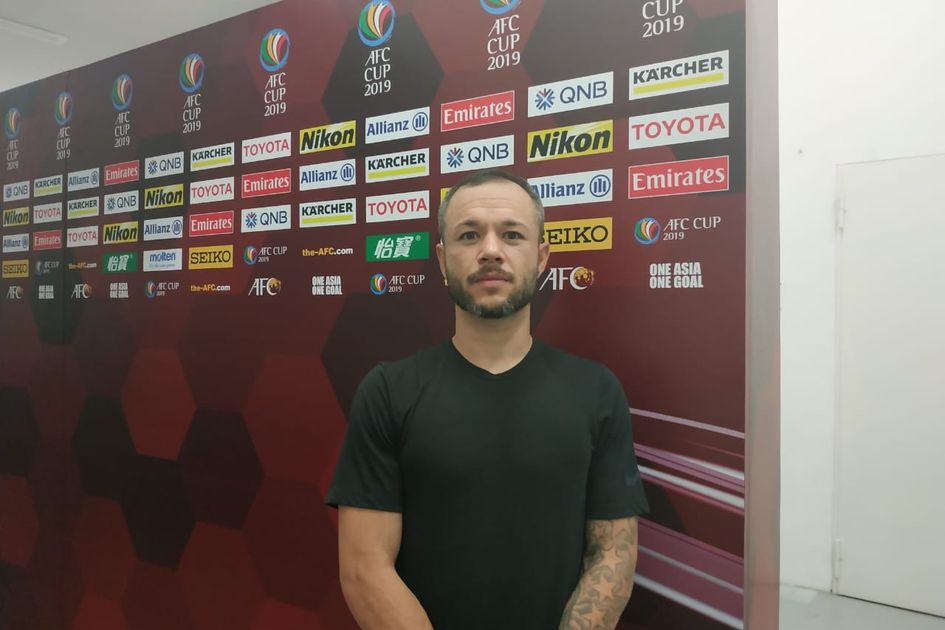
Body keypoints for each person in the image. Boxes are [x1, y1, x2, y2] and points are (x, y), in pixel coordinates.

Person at [326, 169, 649, 630]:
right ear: (442, 260)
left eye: (512, 234)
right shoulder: (388, 391)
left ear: (541, 257)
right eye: (469, 235)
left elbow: (612, 554)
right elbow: (365, 569)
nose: (491, 250)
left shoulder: (597, 391)